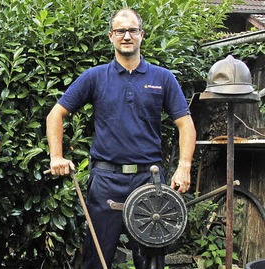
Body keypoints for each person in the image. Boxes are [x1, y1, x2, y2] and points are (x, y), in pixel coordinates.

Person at [46, 8, 196, 269]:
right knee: (97, 260)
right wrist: (56, 156)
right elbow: (55, 115)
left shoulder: (163, 78)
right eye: (120, 31)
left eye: (132, 30)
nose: (126, 36)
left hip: (149, 181)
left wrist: (184, 166)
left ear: (142, 35)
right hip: (106, 181)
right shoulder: (94, 77)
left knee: (150, 262)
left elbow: (185, 124)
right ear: (111, 36)